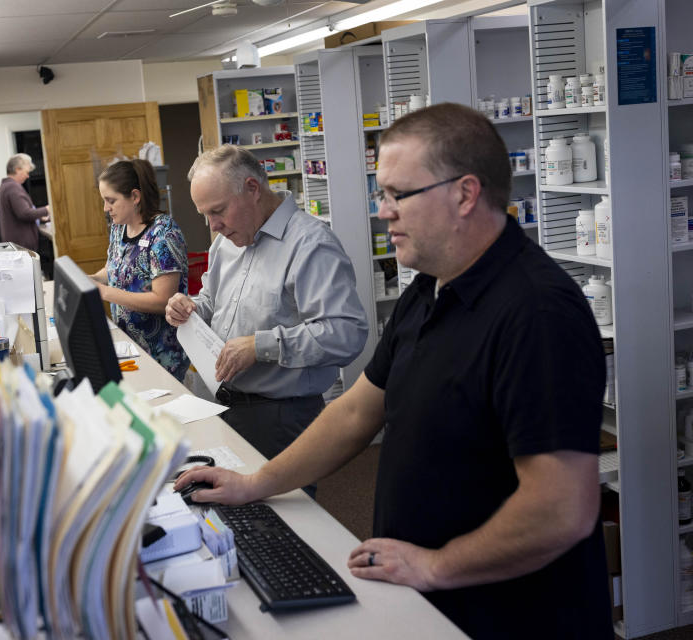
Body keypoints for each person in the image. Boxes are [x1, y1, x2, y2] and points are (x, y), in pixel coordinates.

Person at [173, 104, 611, 638]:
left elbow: (561, 509)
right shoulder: (428, 289)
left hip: (510, 611)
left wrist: (437, 565)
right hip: (429, 595)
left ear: (465, 194)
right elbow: (357, 411)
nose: (383, 213)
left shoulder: (537, 313)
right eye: (383, 195)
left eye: (398, 195)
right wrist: (254, 483)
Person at [165, 145, 368, 470]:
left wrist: (262, 346)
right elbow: (211, 304)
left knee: (278, 516)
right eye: (205, 214)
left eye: (217, 211)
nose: (212, 225)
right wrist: (188, 309)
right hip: (220, 403)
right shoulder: (226, 243)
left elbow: (346, 334)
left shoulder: (310, 244)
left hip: (280, 416)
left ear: (252, 188)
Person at [91, 160, 190, 380]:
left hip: (162, 356)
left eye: (111, 201)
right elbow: (113, 269)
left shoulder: (163, 234)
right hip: (130, 348)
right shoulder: (119, 228)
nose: (106, 208)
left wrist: (105, 293)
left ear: (135, 197)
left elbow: (163, 300)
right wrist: (92, 279)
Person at [0, 153, 49, 253]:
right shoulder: (12, 187)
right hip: (21, 247)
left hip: (16, 246)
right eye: (26, 172)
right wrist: (46, 209)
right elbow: (24, 213)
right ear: (17, 169)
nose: (28, 176)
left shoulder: (5, 186)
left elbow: (19, 212)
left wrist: (38, 216)